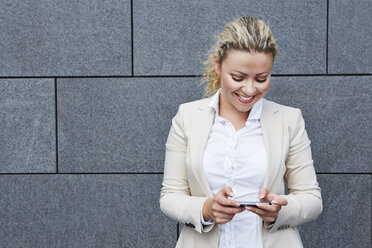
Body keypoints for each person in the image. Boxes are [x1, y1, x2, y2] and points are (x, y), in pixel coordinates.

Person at [160, 16, 322, 248]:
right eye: (237, 77)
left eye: (261, 79)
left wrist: (280, 209)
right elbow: (170, 196)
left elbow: (312, 199)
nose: (249, 89)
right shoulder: (187, 117)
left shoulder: (289, 119)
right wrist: (206, 208)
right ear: (217, 64)